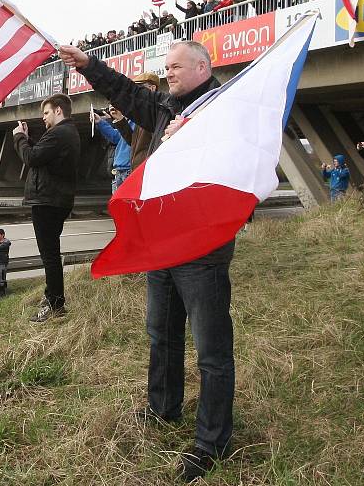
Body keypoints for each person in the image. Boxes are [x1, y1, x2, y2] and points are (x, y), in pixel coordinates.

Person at [59, 40, 236, 482]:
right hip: (163, 245)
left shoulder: (225, 110)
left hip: (201, 251)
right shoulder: (162, 108)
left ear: (202, 67)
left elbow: (236, 168)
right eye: (167, 67)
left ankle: (211, 443)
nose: (169, 73)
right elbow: (125, 91)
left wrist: (192, 143)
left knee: (212, 351)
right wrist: (88, 65)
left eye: (176, 66)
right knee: (161, 332)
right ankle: (163, 408)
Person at [12, 93, 80, 323]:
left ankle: (55, 304)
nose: (43, 117)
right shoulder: (64, 134)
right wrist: (28, 140)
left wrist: (19, 138)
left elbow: (30, 158)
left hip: (48, 201)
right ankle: (53, 297)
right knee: (50, 253)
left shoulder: (60, 133)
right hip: (53, 199)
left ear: (58, 110)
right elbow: (41, 157)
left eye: (46, 112)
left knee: (49, 255)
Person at [94, 105, 132, 193]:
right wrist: (100, 122)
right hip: (119, 170)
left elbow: (130, 138)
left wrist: (120, 120)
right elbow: (117, 137)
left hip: (129, 169)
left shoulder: (139, 119)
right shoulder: (130, 119)